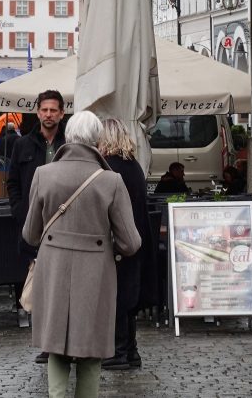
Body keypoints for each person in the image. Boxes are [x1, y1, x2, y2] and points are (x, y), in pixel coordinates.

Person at [22, 111, 140, 398]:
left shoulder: (43, 174)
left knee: (56, 347)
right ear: (97, 140)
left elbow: (30, 234)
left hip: (53, 266)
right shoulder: (111, 181)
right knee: (91, 349)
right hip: (96, 271)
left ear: (68, 136)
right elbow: (131, 242)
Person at [7, 89, 66, 336]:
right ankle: (43, 338)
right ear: (37, 112)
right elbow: (13, 182)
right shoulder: (22, 144)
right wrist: (20, 210)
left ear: (62, 114)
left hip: (63, 223)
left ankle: (60, 335)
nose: (48, 115)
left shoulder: (69, 145)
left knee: (61, 282)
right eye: (44, 110)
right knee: (36, 280)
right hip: (33, 224)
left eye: (53, 110)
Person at [96, 118, 149, 371]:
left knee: (115, 297)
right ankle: (131, 351)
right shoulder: (134, 166)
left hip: (118, 241)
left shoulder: (110, 169)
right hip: (136, 239)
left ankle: (118, 351)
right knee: (129, 296)